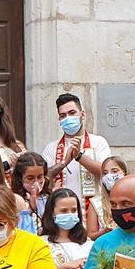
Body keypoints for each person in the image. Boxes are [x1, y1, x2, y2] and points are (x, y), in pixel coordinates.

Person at [42, 93, 111, 228]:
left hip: (93, 216)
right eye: (63, 116)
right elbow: (43, 179)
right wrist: (64, 163)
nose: (68, 118)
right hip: (63, 217)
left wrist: (80, 157)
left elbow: (106, 173)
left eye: (72, 113)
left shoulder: (98, 142)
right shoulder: (51, 148)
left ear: (82, 114)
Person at [12, 151, 56, 232]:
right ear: (20, 178)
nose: (36, 182)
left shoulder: (48, 197)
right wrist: (31, 208)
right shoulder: (15, 200)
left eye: (40, 177)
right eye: (30, 178)